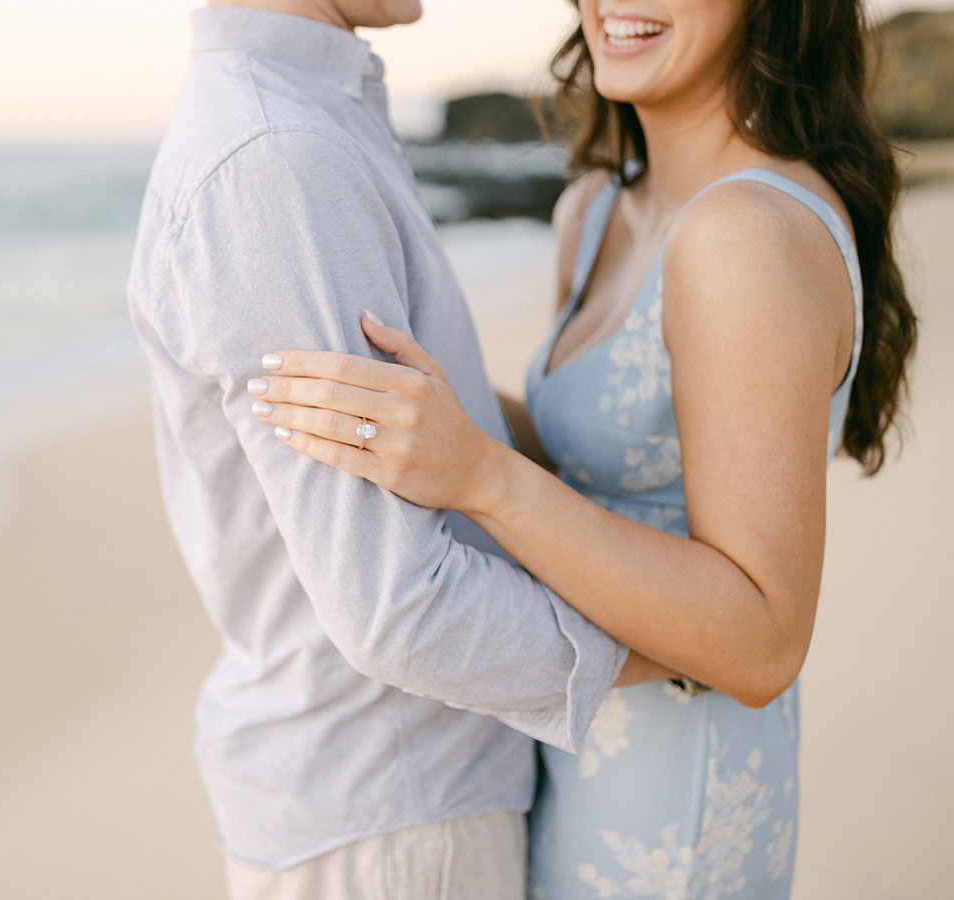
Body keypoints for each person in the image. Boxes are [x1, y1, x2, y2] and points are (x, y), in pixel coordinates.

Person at [250, 0, 917, 895]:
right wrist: (426, 414)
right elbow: (599, 447)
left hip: (675, 804)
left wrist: (482, 475)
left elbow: (764, 641)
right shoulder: (596, 208)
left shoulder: (747, 235)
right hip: (566, 746)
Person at [127, 2, 675, 897]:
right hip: (398, 827)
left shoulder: (303, 115)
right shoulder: (276, 157)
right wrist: (673, 646)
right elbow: (396, 607)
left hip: (396, 802)